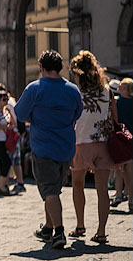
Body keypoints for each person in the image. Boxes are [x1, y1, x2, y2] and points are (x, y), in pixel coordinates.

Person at [14, 50, 83, 249]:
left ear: (42, 68)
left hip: (43, 148)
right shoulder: (72, 90)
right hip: (66, 148)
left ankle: (59, 232)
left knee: (50, 191)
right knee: (53, 188)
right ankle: (47, 228)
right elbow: (77, 114)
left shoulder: (35, 88)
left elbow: (20, 113)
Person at [67, 50, 121, 244]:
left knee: (77, 184)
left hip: (81, 144)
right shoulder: (107, 91)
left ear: (79, 73)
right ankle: (101, 232)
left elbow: (71, 118)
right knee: (102, 191)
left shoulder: (76, 92)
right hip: (103, 145)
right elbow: (114, 118)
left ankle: (80, 225)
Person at [110, 78, 133, 213]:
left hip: (123, 137)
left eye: (121, 87)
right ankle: (128, 198)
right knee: (126, 170)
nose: (118, 89)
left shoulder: (118, 102)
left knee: (121, 168)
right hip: (128, 137)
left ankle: (121, 195)